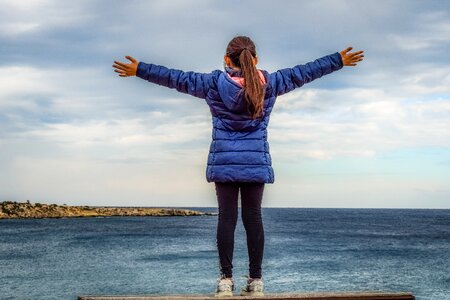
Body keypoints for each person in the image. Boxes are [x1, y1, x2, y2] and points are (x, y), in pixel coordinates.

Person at [112, 36, 364, 297]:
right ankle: (255, 282)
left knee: (227, 218)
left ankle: (225, 282)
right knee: (253, 218)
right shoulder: (271, 83)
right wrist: (338, 61)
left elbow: (175, 78)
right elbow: (304, 73)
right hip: (254, 162)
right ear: (255, 60)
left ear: (226, 59)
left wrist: (139, 69)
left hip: (224, 161)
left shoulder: (212, 84)